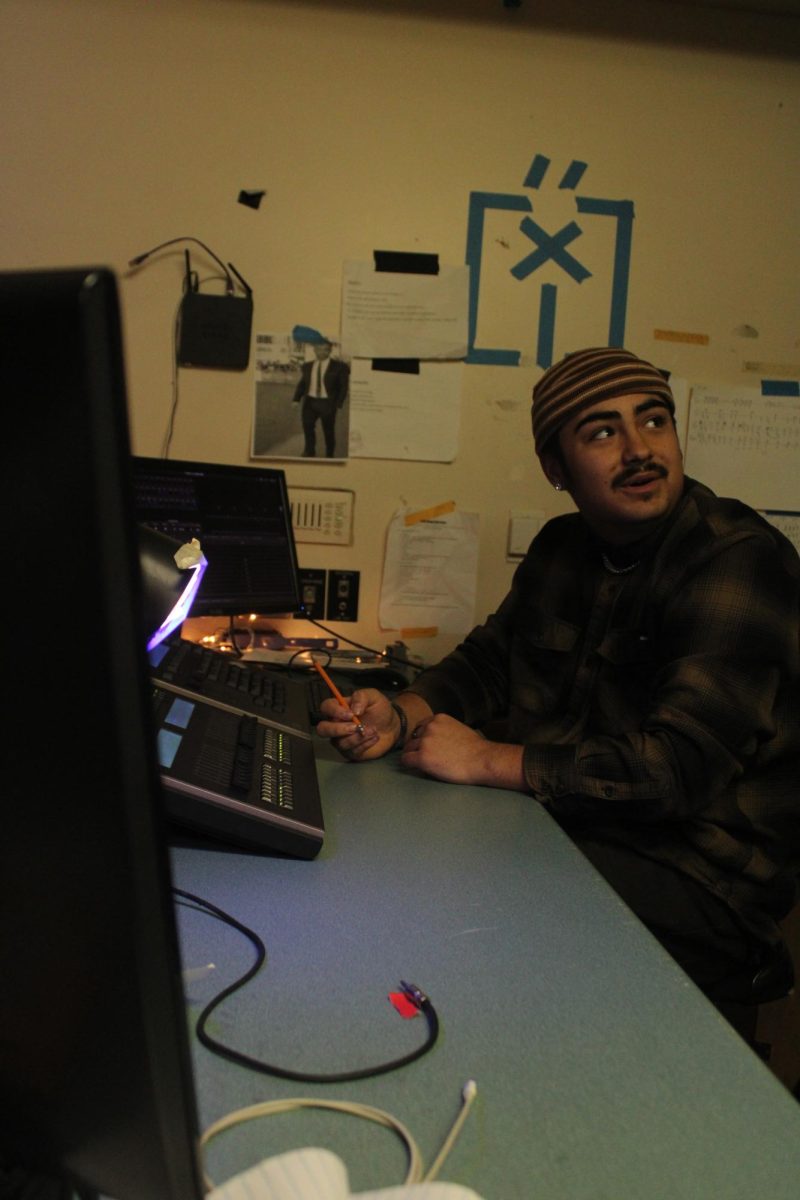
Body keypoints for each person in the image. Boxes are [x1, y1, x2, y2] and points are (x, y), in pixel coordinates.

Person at [317, 346, 800, 1032]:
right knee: (386, 862)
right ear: (556, 468)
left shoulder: (736, 559)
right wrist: (402, 711)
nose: (639, 450)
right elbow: (489, 663)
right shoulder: (562, 548)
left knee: (441, 906)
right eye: (603, 432)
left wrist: (486, 759)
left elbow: (673, 774)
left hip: (701, 887)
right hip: (572, 834)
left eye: (654, 421)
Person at [292, 339, 349, 457]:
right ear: (314, 350)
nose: (321, 352)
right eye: (318, 349)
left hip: (327, 404)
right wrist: (296, 399)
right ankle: (309, 451)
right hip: (310, 403)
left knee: (328, 431)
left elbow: (343, 387)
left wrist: (338, 404)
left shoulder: (339, 367)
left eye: (325, 349)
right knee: (307, 427)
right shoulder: (307, 366)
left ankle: (329, 454)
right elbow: (303, 384)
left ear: (330, 350)